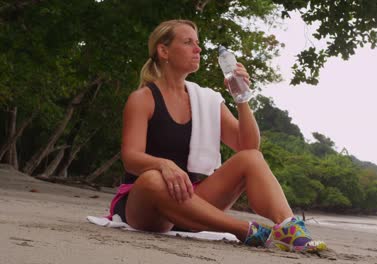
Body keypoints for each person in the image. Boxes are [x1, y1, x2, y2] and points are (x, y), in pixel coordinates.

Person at [108, 19, 326, 253]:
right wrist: (164, 165)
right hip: (150, 207)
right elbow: (131, 157)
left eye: (198, 43)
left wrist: (241, 98)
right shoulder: (143, 98)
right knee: (153, 178)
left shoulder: (206, 99)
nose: (198, 49)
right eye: (188, 42)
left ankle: (287, 228)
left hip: (192, 202)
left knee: (251, 158)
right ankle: (244, 230)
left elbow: (249, 147)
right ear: (164, 51)